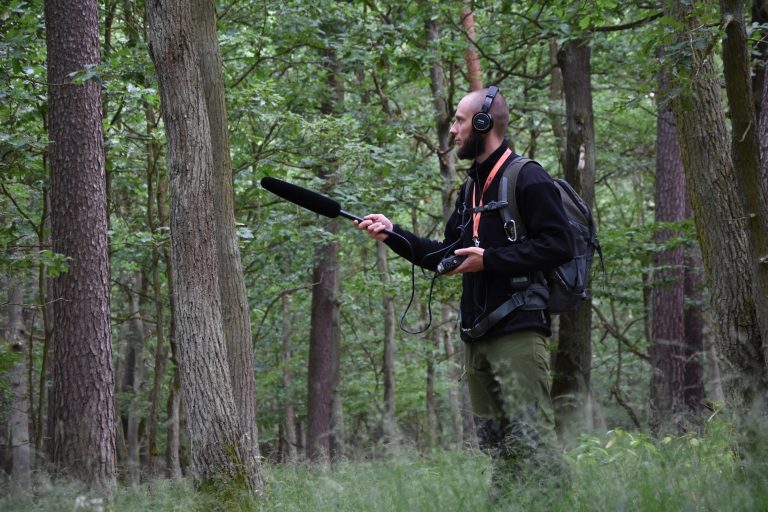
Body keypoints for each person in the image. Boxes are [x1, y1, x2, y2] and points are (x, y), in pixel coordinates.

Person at [355, 86, 575, 497]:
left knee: (534, 442)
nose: (452, 129)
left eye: (459, 120)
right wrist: (392, 233)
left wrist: (490, 259)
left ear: (482, 123)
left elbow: (559, 244)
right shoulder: (471, 189)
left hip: (519, 331)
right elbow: (444, 254)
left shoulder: (528, 177)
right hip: (477, 336)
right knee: (498, 448)